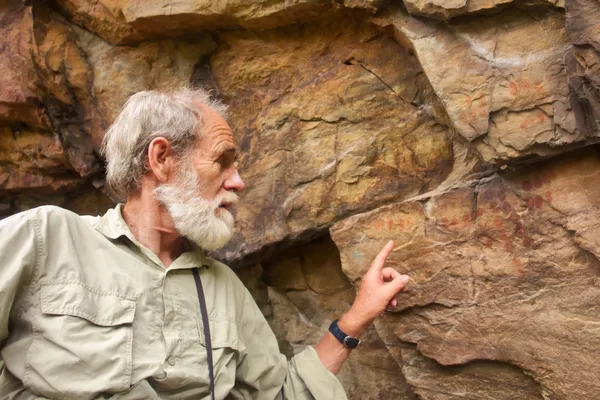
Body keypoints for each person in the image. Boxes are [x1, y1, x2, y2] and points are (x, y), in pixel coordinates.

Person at [0, 88, 410, 399]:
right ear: (161, 158)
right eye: (222, 161)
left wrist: (358, 316)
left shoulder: (223, 287)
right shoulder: (46, 236)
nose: (238, 182)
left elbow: (283, 393)